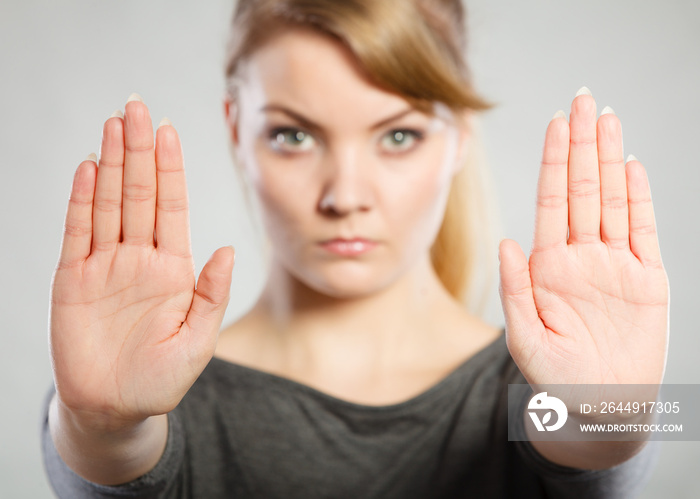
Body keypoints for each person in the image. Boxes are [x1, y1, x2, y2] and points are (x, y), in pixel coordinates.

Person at [41, 0, 669, 497]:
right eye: (292, 134)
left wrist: (611, 417)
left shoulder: (544, 389)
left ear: (458, 138)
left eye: (398, 134)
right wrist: (100, 426)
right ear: (237, 132)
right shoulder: (148, 397)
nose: (345, 195)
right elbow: (105, 464)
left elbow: (604, 459)